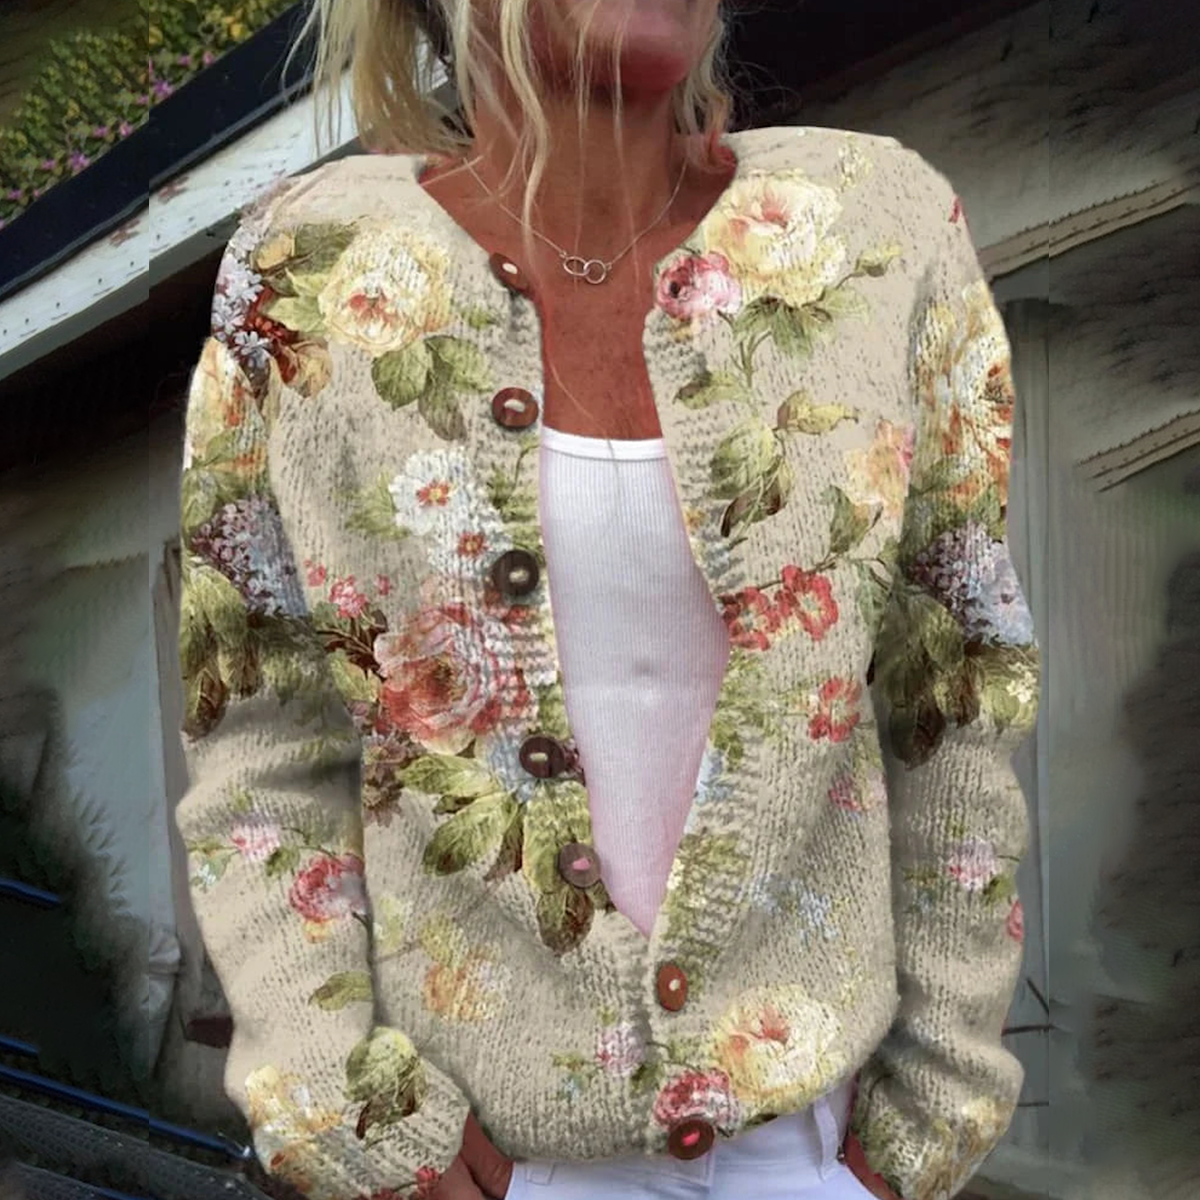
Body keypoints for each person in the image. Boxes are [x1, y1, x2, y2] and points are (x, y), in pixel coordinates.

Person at [173, 2, 1041, 1199]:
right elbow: (261, 743)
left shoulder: (875, 227)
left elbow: (958, 691)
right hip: (479, 1159)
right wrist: (350, 1114)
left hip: (810, 1154)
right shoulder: (306, 266)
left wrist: (928, 1118)